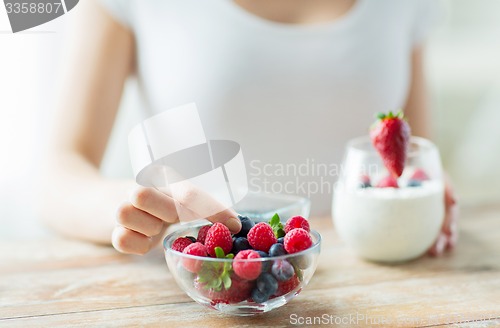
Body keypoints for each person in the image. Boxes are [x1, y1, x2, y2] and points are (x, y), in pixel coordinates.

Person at [38, 0, 457, 256]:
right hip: (204, 276)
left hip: (370, 279)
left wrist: (427, 196)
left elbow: (414, 156)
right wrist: (132, 208)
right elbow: (58, 172)